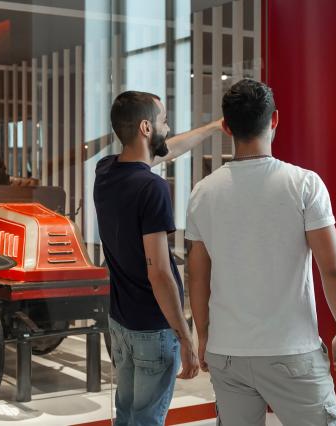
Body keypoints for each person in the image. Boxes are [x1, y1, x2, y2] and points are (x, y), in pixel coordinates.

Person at [185, 79, 336, 426]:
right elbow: (333, 270)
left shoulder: (203, 192)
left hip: (227, 352)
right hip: (291, 350)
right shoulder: (304, 184)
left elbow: (197, 276)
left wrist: (204, 337)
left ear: (227, 127)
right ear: (274, 119)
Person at [94, 90, 222, 425]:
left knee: (126, 415)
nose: (169, 127)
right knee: (147, 420)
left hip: (121, 323)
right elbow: (160, 273)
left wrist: (213, 127)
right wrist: (185, 337)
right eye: (164, 120)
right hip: (153, 329)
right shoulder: (152, 188)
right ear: (146, 127)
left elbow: (167, 150)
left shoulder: (105, 171)